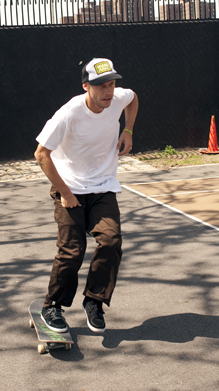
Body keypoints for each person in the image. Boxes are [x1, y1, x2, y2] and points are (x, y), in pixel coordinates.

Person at [34, 58, 139, 333]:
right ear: (86, 86)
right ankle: (52, 306)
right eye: (101, 85)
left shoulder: (118, 98)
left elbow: (133, 98)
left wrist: (127, 130)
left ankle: (94, 300)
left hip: (103, 186)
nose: (108, 91)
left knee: (111, 241)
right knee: (72, 251)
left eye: (112, 84)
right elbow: (41, 154)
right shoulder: (69, 114)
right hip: (70, 188)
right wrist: (65, 193)